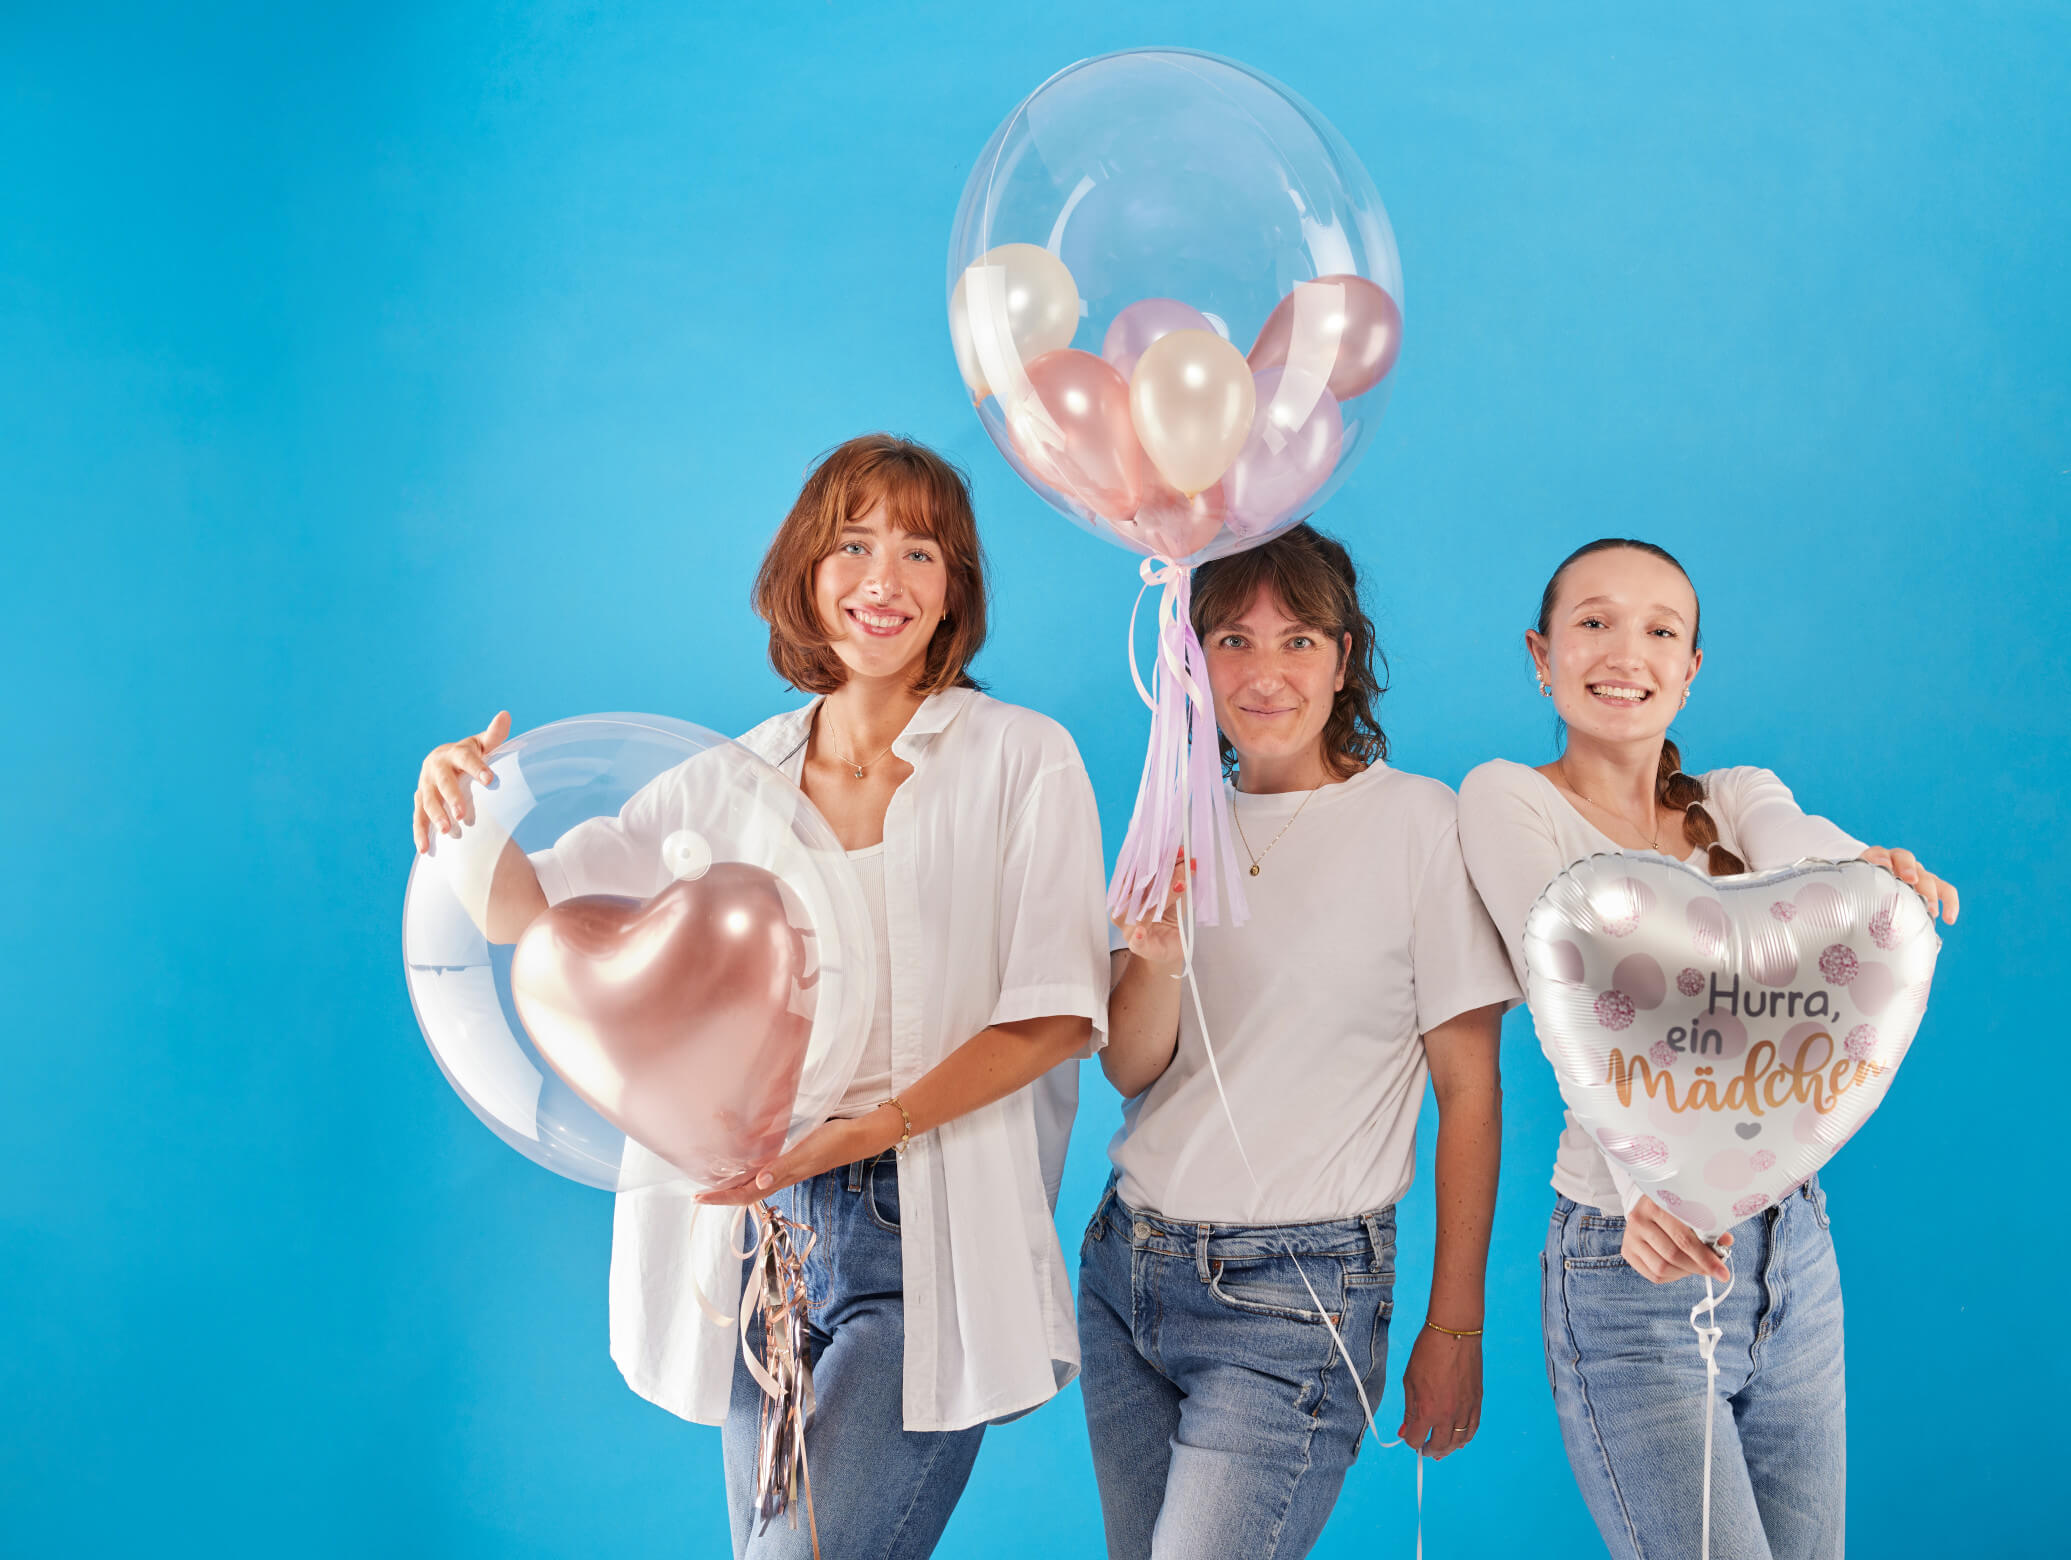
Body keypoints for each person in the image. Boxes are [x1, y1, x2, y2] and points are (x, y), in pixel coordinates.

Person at [411, 434, 1110, 1560]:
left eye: (920, 552)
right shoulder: (729, 781)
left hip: (922, 1233)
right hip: (764, 1247)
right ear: (806, 572)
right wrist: (461, 806)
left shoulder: (1023, 761)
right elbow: (529, 915)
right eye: (853, 545)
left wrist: (866, 1131)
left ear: (954, 591)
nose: (884, 579)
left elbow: (1058, 1012)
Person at [1456, 537, 1958, 1560]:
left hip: (1794, 1252)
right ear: (1541, 655)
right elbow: (1569, 1000)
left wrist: (1870, 873)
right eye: (1593, 622)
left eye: (1659, 631)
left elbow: (1803, 848)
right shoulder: (1507, 798)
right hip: (1631, 1260)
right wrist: (1643, 1182)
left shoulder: (1737, 795)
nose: (1624, 652)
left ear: (1690, 670)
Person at [1079, 524, 1518, 1559]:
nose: (1264, 673)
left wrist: (1454, 1323)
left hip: (1298, 1294)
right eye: (1232, 640)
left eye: (1299, 641)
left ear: (1343, 658)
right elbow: (1130, 1069)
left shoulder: (1418, 823)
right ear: (1191, 662)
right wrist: (1157, 958)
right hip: (1127, 1269)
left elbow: (1471, 1091)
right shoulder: (1171, 819)